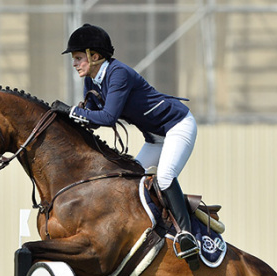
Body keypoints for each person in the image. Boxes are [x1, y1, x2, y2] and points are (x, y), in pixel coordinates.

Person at [52, 23, 200, 261]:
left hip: (177, 125)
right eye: (74, 59)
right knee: (131, 179)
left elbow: (108, 117)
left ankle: (187, 235)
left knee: (164, 177)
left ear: (95, 56)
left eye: (78, 58)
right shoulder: (91, 80)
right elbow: (91, 120)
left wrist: (71, 111)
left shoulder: (118, 73)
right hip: (155, 137)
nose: (74, 63)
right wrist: (66, 119)